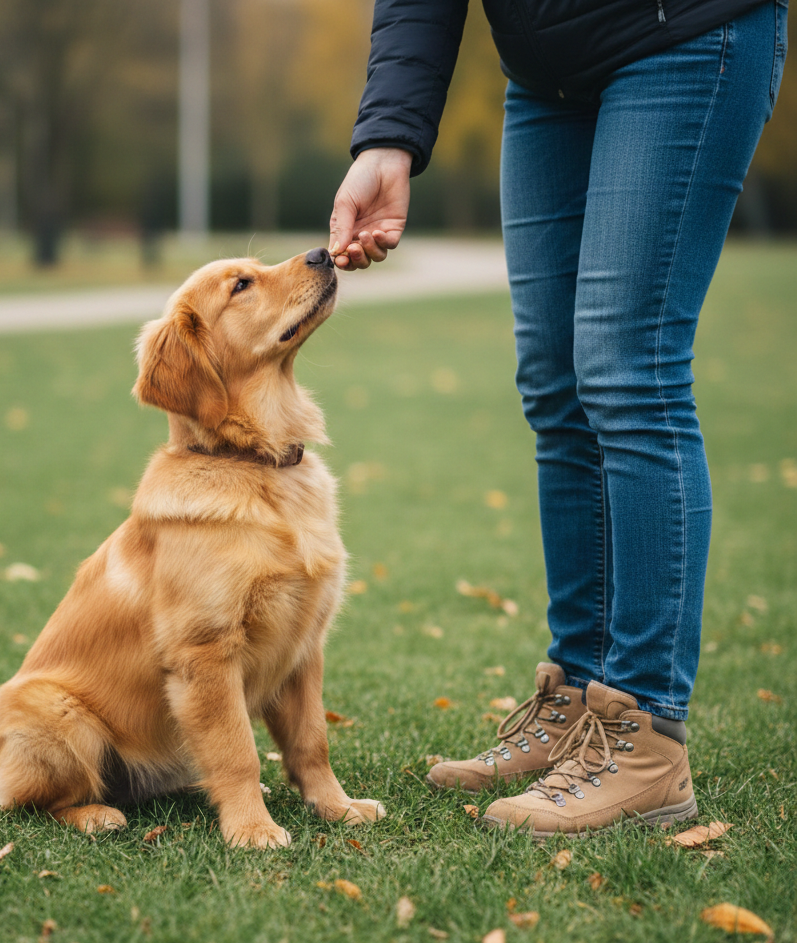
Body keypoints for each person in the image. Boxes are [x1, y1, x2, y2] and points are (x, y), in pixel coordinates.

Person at [328, 0, 788, 836]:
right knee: (555, 384)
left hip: (681, 34)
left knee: (628, 370)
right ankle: (578, 698)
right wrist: (387, 135)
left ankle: (646, 738)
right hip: (546, 74)